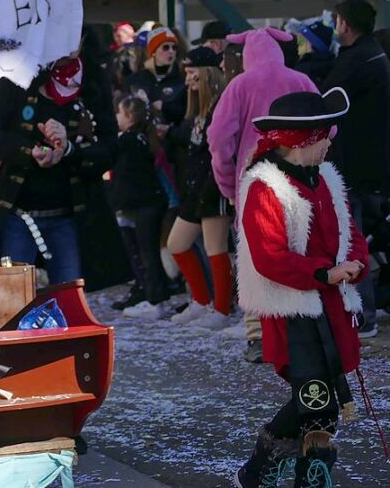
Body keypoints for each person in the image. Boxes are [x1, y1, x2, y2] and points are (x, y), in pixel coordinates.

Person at [234, 88, 366, 488]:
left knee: (321, 399)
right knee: (317, 398)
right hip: (293, 310)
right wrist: (324, 273)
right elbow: (270, 256)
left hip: (330, 304)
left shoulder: (326, 178)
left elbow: (351, 231)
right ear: (304, 140)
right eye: (325, 133)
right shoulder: (264, 188)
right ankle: (267, 470)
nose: (331, 140)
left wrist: (355, 264)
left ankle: (292, 473)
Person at [208, 27, 318, 363]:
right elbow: (330, 124)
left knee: (255, 258)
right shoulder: (301, 80)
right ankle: (301, 328)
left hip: (253, 183)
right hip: (301, 181)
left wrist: (228, 183)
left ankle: (258, 335)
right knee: (299, 249)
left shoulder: (239, 86)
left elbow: (219, 138)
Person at [0, 50, 116, 284]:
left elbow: (108, 150)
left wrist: (68, 150)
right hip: (19, 213)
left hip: (66, 215)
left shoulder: (92, 82)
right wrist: (30, 151)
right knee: (15, 296)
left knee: (68, 296)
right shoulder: (19, 74)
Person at [321, 0, 390, 340]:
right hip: (372, 163)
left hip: (354, 167)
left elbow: (327, 101)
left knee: (351, 240)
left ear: (344, 24)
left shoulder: (354, 61)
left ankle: (362, 314)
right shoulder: (374, 53)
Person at [165, 48, 233, 329]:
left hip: (213, 188)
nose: (188, 79)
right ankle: (202, 301)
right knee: (176, 244)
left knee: (215, 248)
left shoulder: (220, 106)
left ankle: (222, 309)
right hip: (194, 190)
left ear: (208, 73)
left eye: (193, 73)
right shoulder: (198, 108)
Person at [111, 95, 169, 320]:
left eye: (119, 113)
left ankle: (156, 300)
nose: (117, 117)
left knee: (148, 253)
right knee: (147, 252)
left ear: (129, 116)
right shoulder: (143, 138)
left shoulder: (130, 140)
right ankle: (153, 295)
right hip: (149, 202)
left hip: (146, 204)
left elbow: (127, 178)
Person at [127, 26, 187, 130]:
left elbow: (188, 112)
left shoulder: (183, 78)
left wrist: (164, 107)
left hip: (173, 139)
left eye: (174, 48)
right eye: (165, 47)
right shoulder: (136, 79)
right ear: (153, 51)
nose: (171, 51)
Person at [294, 18, 336, 88]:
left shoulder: (304, 69)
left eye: (301, 42)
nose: (298, 45)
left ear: (312, 45)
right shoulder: (334, 64)